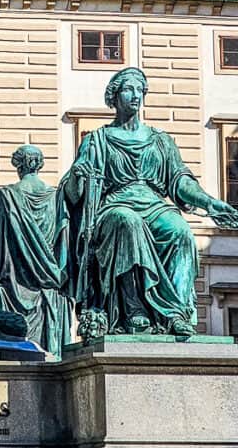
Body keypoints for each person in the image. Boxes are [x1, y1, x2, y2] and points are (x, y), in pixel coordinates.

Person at [62, 66, 238, 335]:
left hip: (155, 205)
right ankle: (134, 310)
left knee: (179, 231)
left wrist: (210, 203)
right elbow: (73, 194)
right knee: (127, 222)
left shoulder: (160, 141)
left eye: (139, 90)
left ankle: (175, 313)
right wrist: (77, 176)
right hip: (115, 205)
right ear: (114, 96)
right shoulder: (97, 141)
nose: (135, 96)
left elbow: (180, 181)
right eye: (128, 89)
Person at [0, 145, 71, 358]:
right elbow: (64, 245)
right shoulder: (56, 198)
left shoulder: (7, 197)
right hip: (48, 294)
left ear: (18, 166)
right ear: (40, 165)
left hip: (12, 290)